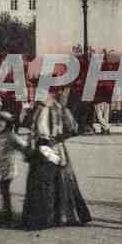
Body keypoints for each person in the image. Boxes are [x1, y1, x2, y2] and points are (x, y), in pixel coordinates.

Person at [21, 91, 92, 230]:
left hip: (46, 148)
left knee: (45, 182)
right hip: (55, 147)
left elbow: (32, 126)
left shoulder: (43, 108)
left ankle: (45, 217)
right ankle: (60, 216)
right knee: (61, 181)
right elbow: (72, 128)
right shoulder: (55, 107)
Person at [0, 110, 29, 224]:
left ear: (8, 123)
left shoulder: (11, 136)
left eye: (2, 121)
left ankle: (7, 213)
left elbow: (23, 146)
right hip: (0, 165)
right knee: (3, 189)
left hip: (9, 165)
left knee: (5, 189)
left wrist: (27, 152)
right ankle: (6, 211)